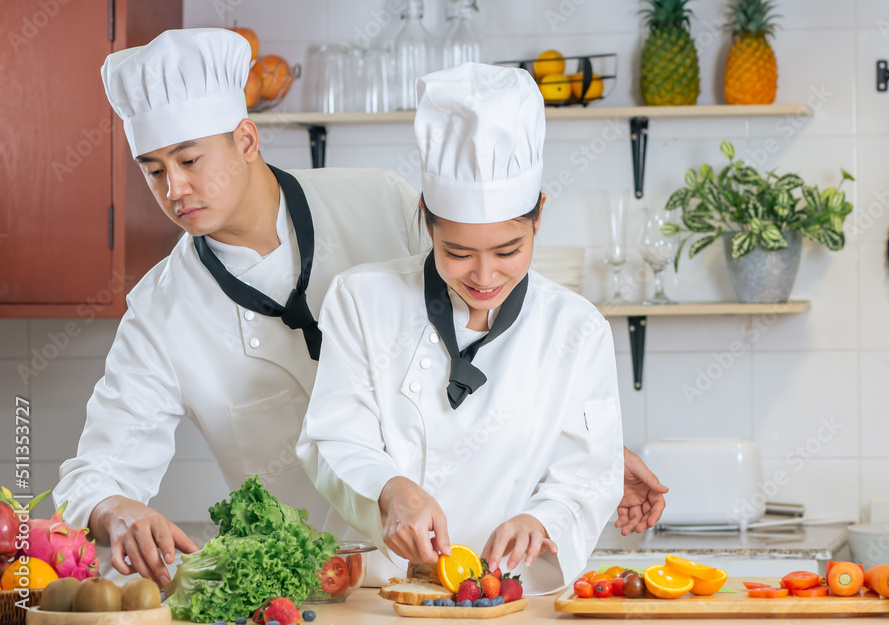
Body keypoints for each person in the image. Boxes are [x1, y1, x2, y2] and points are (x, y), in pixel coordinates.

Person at [53, 28, 666, 590]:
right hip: (303, 586)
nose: (174, 190)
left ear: (246, 138)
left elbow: (484, 320)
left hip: (442, 573)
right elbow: (93, 474)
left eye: (188, 161)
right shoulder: (162, 312)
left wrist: (592, 447)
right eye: (153, 171)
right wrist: (116, 509)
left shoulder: (377, 201)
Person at [297, 63, 625, 593]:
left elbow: (588, 474)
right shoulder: (361, 299)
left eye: (508, 250)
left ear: (538, 215)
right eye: (457, 252)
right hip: (381, 596)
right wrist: (390, 489)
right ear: (427, 217)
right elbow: (333, 435)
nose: (484, 275)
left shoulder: (577, 328)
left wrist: (541, 522)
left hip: (507, 596)